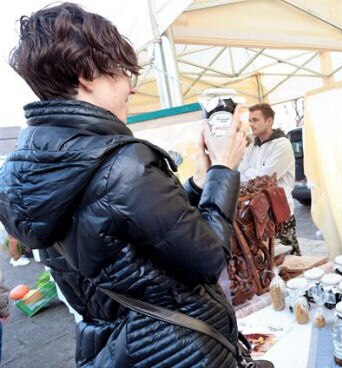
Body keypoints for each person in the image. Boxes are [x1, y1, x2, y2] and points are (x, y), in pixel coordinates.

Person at [0, 3, 251, 367]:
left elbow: (150, 238)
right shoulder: (121, 163)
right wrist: (224, 169)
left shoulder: (31, 170)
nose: (131, 87)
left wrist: (200, 179)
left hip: (114, 346)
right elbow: (208, 258)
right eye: (120, 72)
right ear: (86, 75)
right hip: (175, 349)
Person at [238, 103, 301, 255]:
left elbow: (266, 178)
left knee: (289, 257)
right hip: (259, 214)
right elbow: (240, 174)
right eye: (250, 120)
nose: (251, 124)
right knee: (269, 259)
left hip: (280, 211)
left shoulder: (282, 144)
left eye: (255, 120)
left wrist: (252, 174)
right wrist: (256, 174)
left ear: (269, 121)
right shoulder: (253, 147)